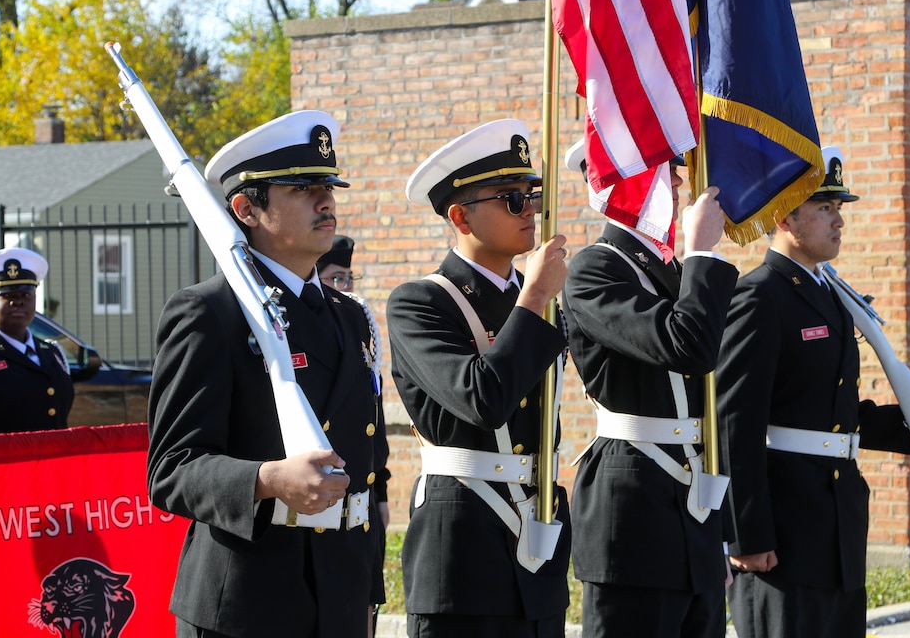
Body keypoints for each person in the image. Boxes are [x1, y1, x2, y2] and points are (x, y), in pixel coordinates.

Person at [146, 111, 382, 638]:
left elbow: (367, 465)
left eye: (328, 185)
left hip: (340, 593)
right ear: (246, 208)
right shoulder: (209, 313)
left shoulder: (351, 316)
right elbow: (172, 469)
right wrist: (267, 479)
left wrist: (368, 593)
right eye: (302, 188)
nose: (326, 201)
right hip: (248, 602)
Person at [716, 146, 910, 638]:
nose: (839, 221)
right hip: (783, 530)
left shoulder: (830, 294)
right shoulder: (758, 296)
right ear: (787, 216)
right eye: (825, 208)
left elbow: (835, 412)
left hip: (837, 522)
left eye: (839, 208)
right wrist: (745, 533)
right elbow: (734, 421)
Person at [386, 119, 571, 638]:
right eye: (511, 199)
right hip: (464, 548)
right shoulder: (422, 301)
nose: (529, 209)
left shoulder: (540, 297)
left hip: (538, 534)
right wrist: (534, 298)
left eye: (531, 194)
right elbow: (483, 398)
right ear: (460, 215)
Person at [561, 142, 739, 638]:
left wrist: (717, 538)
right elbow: (688, 346)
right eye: (665, 172)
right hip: (633, 508)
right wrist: (701, 251)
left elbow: (710, 406)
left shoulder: (674, 272)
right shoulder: (593, 271)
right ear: (622, 185)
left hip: (694, 511)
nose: (681, 183)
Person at [316, 235, 391, 630]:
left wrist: (380, 489)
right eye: (336, 278)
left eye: (349, 278)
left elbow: (372, 426)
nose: (346, 287)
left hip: (358, 508)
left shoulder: (359, 327)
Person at [0, 248, 74, 434]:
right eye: (7, 296)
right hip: (2, 462)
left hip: (52, 461)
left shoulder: (51, 352)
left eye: (26, 295)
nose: (18, 302)